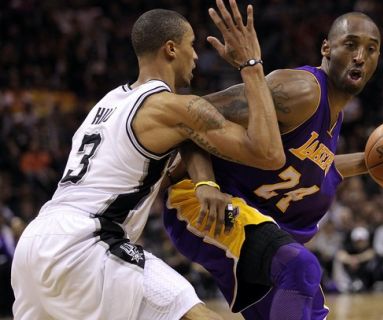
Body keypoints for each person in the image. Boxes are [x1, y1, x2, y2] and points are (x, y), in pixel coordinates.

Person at [11, 1, 285, 319]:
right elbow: (268, 153)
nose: (196, 56)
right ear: (171, 49)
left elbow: (185, 139)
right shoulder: (170, 107)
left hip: (34, 243)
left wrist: (205, 181)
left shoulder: (108, 103)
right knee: (196, 314)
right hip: (88, 242)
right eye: (191, 45)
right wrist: (251, 64)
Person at [163, 11, 381, 320]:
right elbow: (191, 115)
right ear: (326, 49)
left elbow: (317, 164)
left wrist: (369, 162)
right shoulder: (301, 90)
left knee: (309, 311)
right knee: (300, 267)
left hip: (256, 221)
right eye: (350, 44)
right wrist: (205, 183)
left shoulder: (334, 114)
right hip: (201, 203)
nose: (360, 56)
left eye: (371, 49)